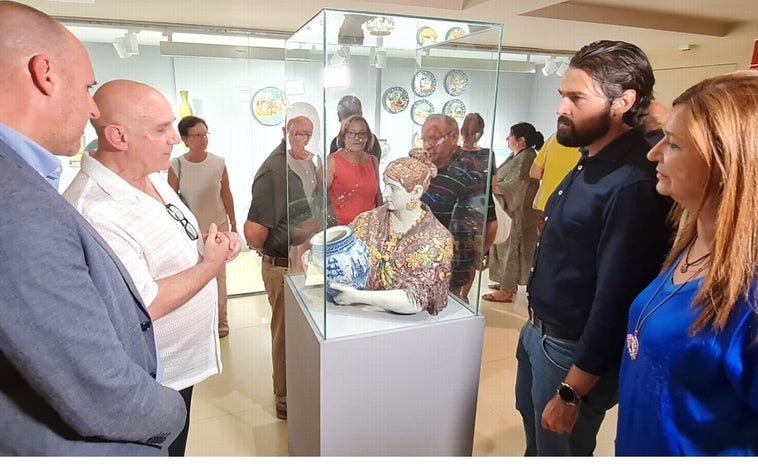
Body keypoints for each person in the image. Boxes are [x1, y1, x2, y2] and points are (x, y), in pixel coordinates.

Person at [0, 2, 185, 455]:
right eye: (87, 88)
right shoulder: (14, 201)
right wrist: (173, 412)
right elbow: (101, 392)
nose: (90, 108)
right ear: (45, 74)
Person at [63, 80, 240, 456]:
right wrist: (210, 266)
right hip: (152, 378)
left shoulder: (155, 180)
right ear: (118, 136)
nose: (175, 140)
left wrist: (214, 247)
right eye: (161, 130)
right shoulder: (95, 208)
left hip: (180, 369)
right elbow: (145, 302)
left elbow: (178, 245)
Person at [517, 40, 673, 456]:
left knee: (559, 452)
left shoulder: (634, 184)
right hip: (540, 331)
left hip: (571, 354)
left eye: (576, 98)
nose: (560, 108)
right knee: (536, 441)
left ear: (622, 102)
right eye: (562, 96)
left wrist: (572, 392)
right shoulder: (592, 157)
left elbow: (617, 297)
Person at [616, 71, 758, 456]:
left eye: (674, 144)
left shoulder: (750, 296)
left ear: (730, 162)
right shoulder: (694, 240)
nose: (653, 153)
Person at [244, 115, 321, 420]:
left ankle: (299, 390)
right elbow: (254, 233)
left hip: (304, 262)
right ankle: (285, 400)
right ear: (285, 132)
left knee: (302, 332)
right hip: (283, 265)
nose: (302, 138)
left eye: (308, 133)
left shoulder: (311, 166)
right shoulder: (274, 172)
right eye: (297, 132)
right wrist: (275, 249)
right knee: (286, 334)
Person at [332, 155, 454, 315]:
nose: (385, 193)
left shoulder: (436, 239)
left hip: (402, 327)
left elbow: (415, 300)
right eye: (385, 185)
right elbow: (342, 255)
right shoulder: (367, 221)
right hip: (356, 314)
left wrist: (357, 296)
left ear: (416, 192)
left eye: (393, 188)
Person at [168, 116, 237, 338]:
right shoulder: (176, 165)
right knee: (193, 274)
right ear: (185, 139)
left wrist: (234, 222)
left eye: (205, 134)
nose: (203, 139)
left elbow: (226, 193)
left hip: (218, 226)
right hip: (190, 230)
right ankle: (199, 320)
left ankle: (221, 320)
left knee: (219, 275)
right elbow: (170, 201)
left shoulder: (218, 162)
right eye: (197, 135)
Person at [420, 114, 497, 303]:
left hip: (447, 270)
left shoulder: (469, 173)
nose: (428, 146)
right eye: (424, 139)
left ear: (454, 137)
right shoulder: (424, 166)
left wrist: (473, 260)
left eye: (434, 139)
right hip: (418, 263)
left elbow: (488, 222)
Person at [484, 122, 543, 303]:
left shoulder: (527, 158)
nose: (507, 139)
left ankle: (507, 290)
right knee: (505, 247)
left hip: (517, 212)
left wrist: (494, 186)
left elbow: (515, 187)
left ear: (521, 140)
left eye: (510, 136)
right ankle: (506, 283)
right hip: (508, 211)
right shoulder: (518, 156)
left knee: (512, 250)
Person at [457, 112, 498, 300]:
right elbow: (495, 185)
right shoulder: (487, 154)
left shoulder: (456, 154)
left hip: (466, 210)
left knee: (463, 258)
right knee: (473, 259)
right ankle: (463, 296)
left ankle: (459, 296)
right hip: (482, 210)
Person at [326, 114, 381, 225]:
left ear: (368, 137)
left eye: (362, 133)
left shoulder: (373, 161)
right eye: (351, 133)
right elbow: (320, 198)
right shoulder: (332, 161)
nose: (357, 138)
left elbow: (378, 196)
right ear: (343, 136)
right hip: (341, 232)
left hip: (369, 230)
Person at [528, 132, 581, 234]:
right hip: (576, 206)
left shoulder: (555, 137)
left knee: (546, 245)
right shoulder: (593, 141)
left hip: (547, 203)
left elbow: (534, 172)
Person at [328, 95, 382, 161]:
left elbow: (372, 168)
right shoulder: (336, 142)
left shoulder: (371, 140)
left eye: (354, 115)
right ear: (339, 116)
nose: (350, 120)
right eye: (347, 115)